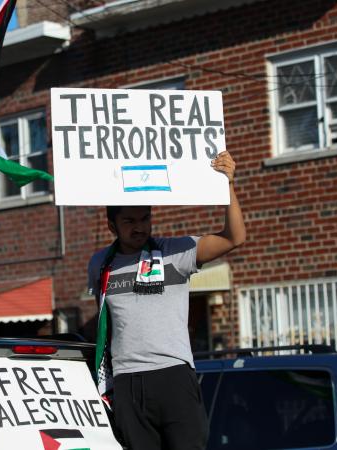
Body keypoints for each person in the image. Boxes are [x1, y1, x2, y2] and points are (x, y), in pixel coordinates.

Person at [88, 151, 246, 450]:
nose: (139, 227)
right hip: (127, 381)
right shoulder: (100, 263)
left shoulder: (175, 252)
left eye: (145, 218)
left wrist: (227, 185)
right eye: (129, 221)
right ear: (112, 226)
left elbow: (234, 237)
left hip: (174, 375)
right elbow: (105, 326)